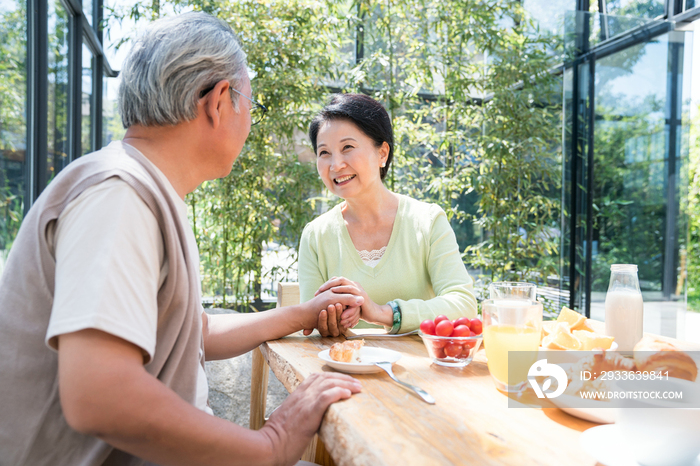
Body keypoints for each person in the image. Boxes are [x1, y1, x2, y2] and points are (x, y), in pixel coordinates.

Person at [0, 12, 364, 466]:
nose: (250, 118)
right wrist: (270, 445)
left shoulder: (142, 189)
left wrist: (299, 314)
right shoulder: (119, 195)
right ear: (218, 101)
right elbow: (99, 394)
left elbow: (195, 333)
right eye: (249, 101)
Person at [299, 93, 478, 337]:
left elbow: (464, 304)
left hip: (420, 371)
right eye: (324, 152)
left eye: (347, 147)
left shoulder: (427, 221)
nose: (336, 164)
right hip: (346, 369)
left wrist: (383, 312)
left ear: (382, 153)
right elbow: (312, 324)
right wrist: (329, 319)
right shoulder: (316, 235)